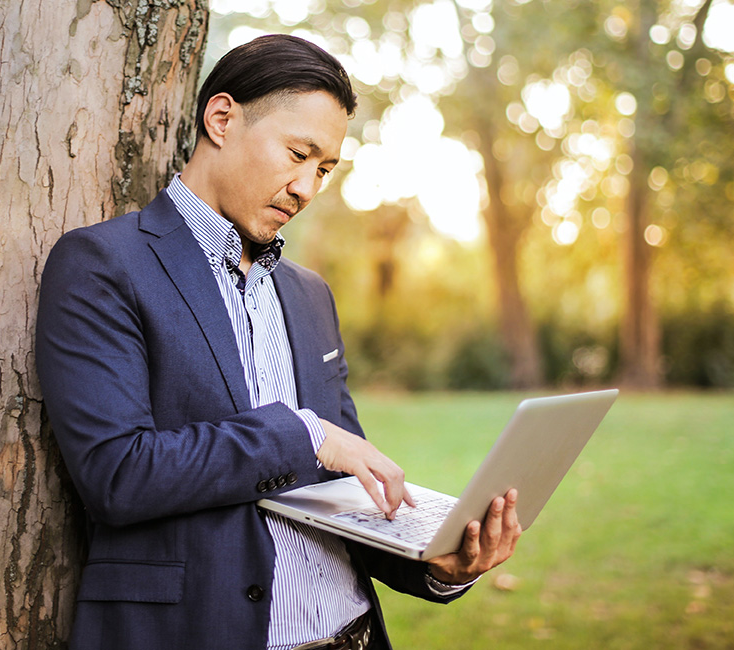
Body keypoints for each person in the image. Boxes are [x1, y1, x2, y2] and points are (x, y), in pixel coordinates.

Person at [35, 34, 522, 650]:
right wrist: (305, 433)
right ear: (222, 118)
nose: (307, 188)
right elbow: (118, 474)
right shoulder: (104, 263)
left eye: (324, 169)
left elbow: (344, 493)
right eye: (298, 153)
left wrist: (439, 562)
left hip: (353, 635)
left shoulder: (310, 295)